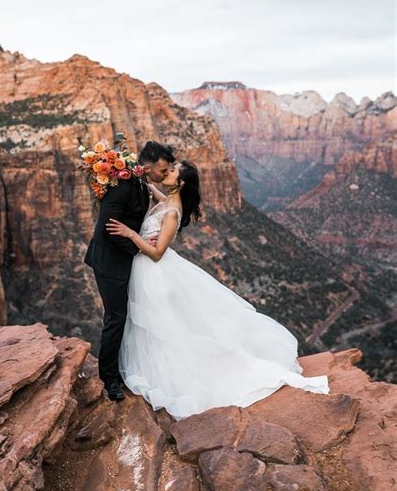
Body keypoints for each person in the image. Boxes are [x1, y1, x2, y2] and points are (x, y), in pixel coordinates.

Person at [105, 160, 330, 421]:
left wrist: (131, 234)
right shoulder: (168, 201)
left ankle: (172, 377)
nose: (166, 172)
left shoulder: (172, 212)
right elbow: (160, 198)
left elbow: (156, 253)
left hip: (155, 274)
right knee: (157, 325)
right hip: (147, 273)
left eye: (172, 171)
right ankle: (158, 371)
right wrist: (138, 177)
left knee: (163, 326)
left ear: (181, 183)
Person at [84, 140, 175, 400]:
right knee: (116, 318)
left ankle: (126, 369)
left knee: (130, 317)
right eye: (162, 170)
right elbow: (107, 229)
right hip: (110, 262)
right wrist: (140, 246)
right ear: (147, 167)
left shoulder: (139, 182)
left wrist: (146, 239)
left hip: (126, 260)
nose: (165, 175)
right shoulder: (123, 186)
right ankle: (109, 379)